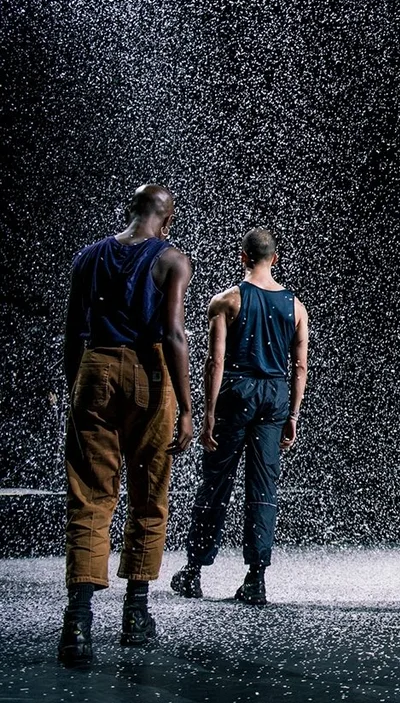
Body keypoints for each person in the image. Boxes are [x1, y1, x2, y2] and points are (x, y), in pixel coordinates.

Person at [60, 184, 194, 668]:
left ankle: (78, 624)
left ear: (130, 211)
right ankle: (135, 614)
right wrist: (187, 407)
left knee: (90, 495)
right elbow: (174, 333)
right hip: (148, 371)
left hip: (94, 367)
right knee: (149, 490)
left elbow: (73, 331)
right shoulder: (172, 259)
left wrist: (78, 389)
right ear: (168, 218)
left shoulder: (88, 257)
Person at [170, 228, 309, 605]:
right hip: (275, 396)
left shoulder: (226, 301)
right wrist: (293, 414)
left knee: (216, 482)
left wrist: (207, 414)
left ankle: (193, 571)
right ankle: (256, 579)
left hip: (236, 393)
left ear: (243, 256)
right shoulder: (295, 307)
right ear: (275, 259)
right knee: (263, 488)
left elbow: (215, 361)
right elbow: (299, 367)